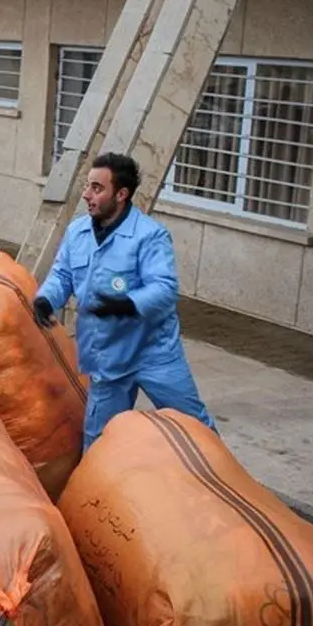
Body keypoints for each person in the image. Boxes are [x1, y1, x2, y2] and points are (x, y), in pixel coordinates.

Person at [33, 152, 216, 450]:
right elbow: (62, 276)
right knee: (98, 445)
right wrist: (45, 300)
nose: (86, 195)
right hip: (107, 358)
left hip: (153, 353)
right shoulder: (77, 232)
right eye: (87, 186)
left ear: (121, 194)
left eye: (96, 188)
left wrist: (128, 304)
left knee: (196, 430)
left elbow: (165, 289)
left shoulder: (149, 236)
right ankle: (94, 496)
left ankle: (223, 485)